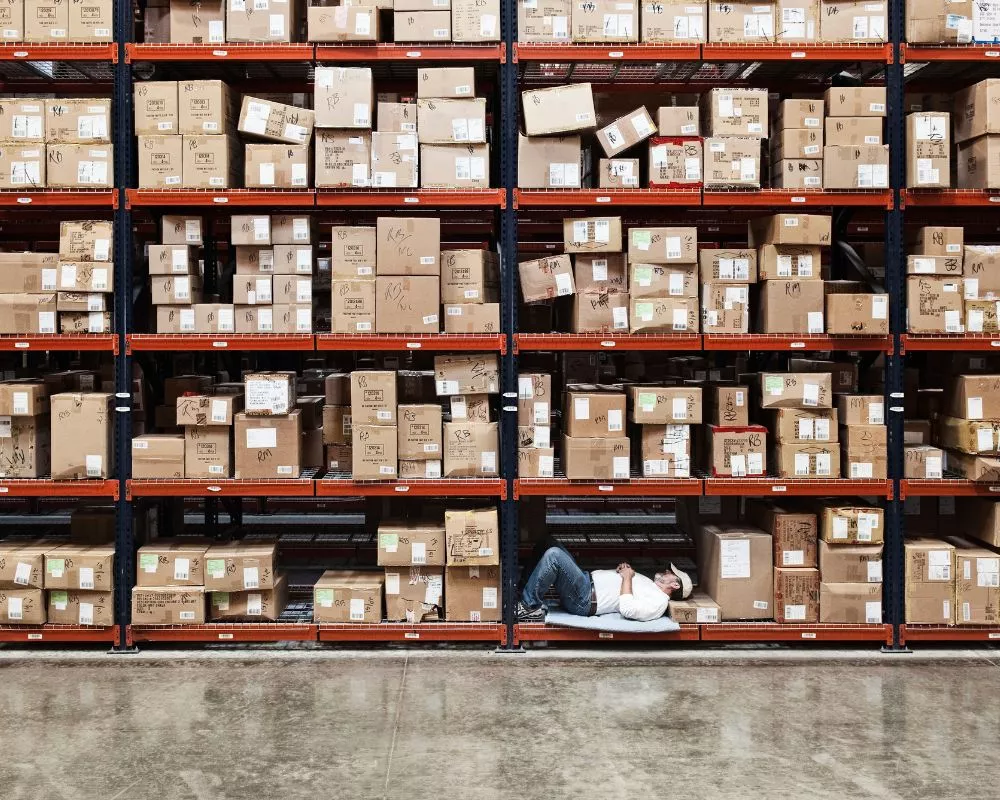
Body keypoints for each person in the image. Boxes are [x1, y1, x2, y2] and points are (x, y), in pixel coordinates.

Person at [516, 544, 693, 622]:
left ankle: (528, 606)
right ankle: (524, 592)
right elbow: (626, 583)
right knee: (546, 543)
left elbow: (628, 609)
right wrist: (625, 571)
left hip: (584, 599)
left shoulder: (659, 602)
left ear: (675, 585)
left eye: (671, 574)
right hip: (585, 581)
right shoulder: (650, 585)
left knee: (554, 555)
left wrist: (627, 578)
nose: (666, 571)